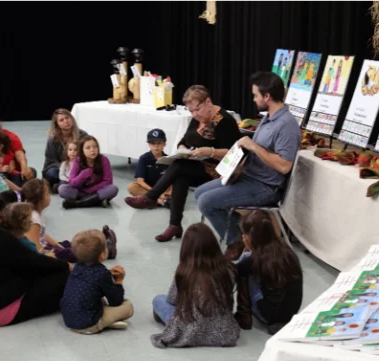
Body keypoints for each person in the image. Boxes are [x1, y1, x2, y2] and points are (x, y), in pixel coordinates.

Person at [195, 72, 301, 261]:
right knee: (198, 194)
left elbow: (284, 166)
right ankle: (247, 236)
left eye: (255, 95)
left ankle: (238, 240)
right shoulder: (268, 118)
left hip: (266, 186)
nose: (253, 99)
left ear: (267, 96)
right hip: (249, 176)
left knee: (206, 202)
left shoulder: (287, 125)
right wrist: (235, 168)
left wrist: (253, 146)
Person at [124, 85, 241, 242]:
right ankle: (174, 225)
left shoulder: (225, 120)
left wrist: (210, 151)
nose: (194, 114)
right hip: (199, 166)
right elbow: (184, 141)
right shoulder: (196, 118)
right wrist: (183, 150)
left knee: (180, 167)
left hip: (219, 171)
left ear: (208, 101)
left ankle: (152, 197)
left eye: (197, 109)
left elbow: (235, 154)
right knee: (181, 174)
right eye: (191, 111)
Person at [151, 223, 240, 348]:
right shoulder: (229, 268)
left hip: (189, 327)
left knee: (159, 300)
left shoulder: (184, 271)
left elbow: (172, 298)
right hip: (222, 328)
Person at [234, 210, 303, 334]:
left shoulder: (253, 259)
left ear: (250, 237)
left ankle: (243, 316)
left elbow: (234, 273)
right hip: (291, 313)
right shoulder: (286, 249)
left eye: (244, 234)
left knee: (244, 268)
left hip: (269, 316)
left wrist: (247, 250)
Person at [60, 229, 134, 334]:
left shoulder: (77, 267)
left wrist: (108, 273)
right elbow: (116, 301)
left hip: (68, 318)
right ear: (102, 255)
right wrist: (118, 281)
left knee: (93, 296)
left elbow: (91, 280)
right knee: (128, 306)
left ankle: (105, 320)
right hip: (87, 324)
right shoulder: (102, 273)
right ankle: (103, 323)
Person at [0, 226, 71, 326]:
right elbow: (33, 261)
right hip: (4, 308)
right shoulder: (1, 236)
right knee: (68, 277)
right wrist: (65, 264)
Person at [58, 135, 119, 209]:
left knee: (113, 189)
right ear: (82, 150)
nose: (92, 150)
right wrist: (83, 174)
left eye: (95, 147)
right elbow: (72, 182)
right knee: (62, 189)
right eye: (88, 148)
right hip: (82, 191)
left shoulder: (104, 159)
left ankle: (78, 203)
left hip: (97, 191)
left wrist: (91, 190)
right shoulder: (77, 161)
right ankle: (96, 201)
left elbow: (108, 181)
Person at [42, 108, 87, 191]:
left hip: (79, 167)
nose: (66, 121)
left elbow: (87, 156)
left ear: (71, 118)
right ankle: (68, 184)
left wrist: (75, 166)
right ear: (57, 124)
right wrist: (66, 166)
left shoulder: (83, 135)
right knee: (52, 174)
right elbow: (51, 161)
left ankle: (61, 185)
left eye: (67, 117)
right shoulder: (53, 139)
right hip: (60, 168)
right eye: (61, 120)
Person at [127, 129, 172, 206]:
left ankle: (149, 200)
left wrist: (164, 192)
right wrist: (155, 192)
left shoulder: (169, 159)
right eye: (153, 143)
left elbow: (172, 180)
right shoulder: (144, 158)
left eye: (159, 143)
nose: (156, 146)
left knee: (179, 185)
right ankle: (160, 201)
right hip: (148, 188)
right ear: (148, 145)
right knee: (132, 187)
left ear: (164, 144)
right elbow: (140, 181)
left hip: (163, 189)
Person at [0, 116, 36, 186]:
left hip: (13, 173)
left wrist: (24, 167)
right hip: (1, 174)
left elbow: (19, 154)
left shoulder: (11, 137)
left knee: (31, 172)